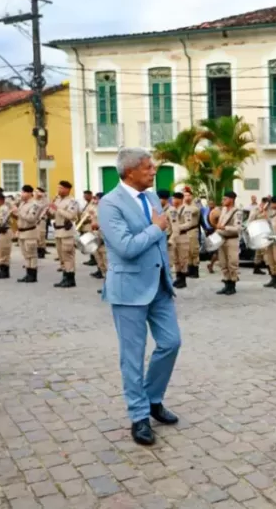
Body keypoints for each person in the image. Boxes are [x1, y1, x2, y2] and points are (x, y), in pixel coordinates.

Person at [97, 147, 181, 447]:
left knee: (171, 342)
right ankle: (139, 416)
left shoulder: (151, 197)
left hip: (158, 286)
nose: (153, 171)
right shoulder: (110, 204)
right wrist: (157, 228)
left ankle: (153, 399)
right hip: (128, 290)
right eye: (147, 168)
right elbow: (126, 247)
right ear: (130, 171)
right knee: (132, 357)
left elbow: (158, 245)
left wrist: (167, 276)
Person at [50, 180, 81, 288]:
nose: (59, 190)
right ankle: (64, 277)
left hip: (67, 232)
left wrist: (57, 209)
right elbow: (53, 214)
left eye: (61, 188)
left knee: (68, 256)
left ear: (67, 189)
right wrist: (51, 207)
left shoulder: (72, 202)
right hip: (58, 231)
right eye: (58, 188)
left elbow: (71, 216)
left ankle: (70, 278)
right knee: (61, 256)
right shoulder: (58, 200)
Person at [14, 186, 44, 283]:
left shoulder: (35, 205)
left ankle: (33, 275)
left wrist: (18, 212)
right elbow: (20, 217)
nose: (21, 195)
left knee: (32, 254)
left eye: (23, 193)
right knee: (26, 254)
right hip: (22, 232)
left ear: (29, 193)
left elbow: (31, 218)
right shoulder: (23, 203)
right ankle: (28, 273)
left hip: (30, 232)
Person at [215, 191, 243, 295]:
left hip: (232, 239)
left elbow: (238, 228)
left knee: (232, 263)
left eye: (225, 199)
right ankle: (226, 284)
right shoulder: (223, 210)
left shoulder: (237, 212)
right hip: (222, 239)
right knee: (223, 263)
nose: (223, 201)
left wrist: (224, 227)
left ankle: (232, 285)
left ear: (231, 199)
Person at [169, 193, 189, 289]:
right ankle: (178, 277)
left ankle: (183, 279)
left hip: (182, 236)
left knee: (183, 259)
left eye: (174, 198)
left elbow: (189, 223)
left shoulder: (186, 209)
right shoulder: (173, 210)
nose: (173, 200)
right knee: (176, 259)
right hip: (174, 236)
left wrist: (177, 227)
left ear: (180, 199)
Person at [182, 188, 202, 278]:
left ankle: (195, 270)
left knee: (194, 251)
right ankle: (189, 269)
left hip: (192, 230)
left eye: (188, 195)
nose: (187, 197)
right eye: (185, 195)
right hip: (185, 231)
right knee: (187, 251)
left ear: (192, 196)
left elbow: (186, 212)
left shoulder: (195, 206)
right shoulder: (183, 205)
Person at [250, 197, 271, 275]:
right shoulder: (256, 210)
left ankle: (256, 268)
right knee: (265, 252)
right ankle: (270, 270)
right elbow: (250, 221)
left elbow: (269, 221)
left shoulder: (268, 211)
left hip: (265, 232)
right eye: (265, 204)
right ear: (262, 203)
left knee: (259, 252)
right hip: (258, 233)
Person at [34, 187, 49, 259]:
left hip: (41, 220)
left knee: (41, 235)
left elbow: (47, 207)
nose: (36, 193)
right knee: (35, 236)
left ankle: (41, 251)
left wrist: (43, 196)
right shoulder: (33, 200)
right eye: (35, 192)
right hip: (33, 220)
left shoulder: (44, 201)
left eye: (38, 192)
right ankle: (37, 250)